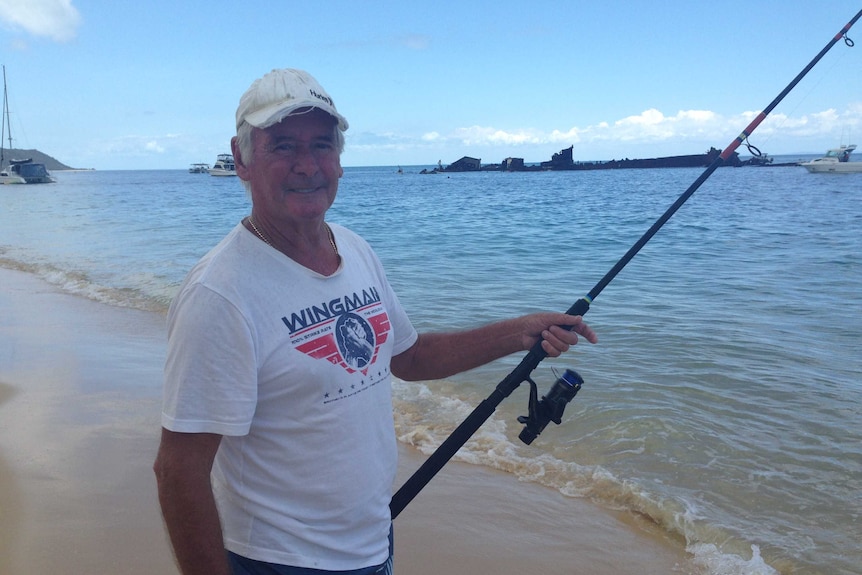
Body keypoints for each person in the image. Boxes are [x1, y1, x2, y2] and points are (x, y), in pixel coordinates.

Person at [153, 68, 597, 575]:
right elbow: (178, 472)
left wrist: (520, 332)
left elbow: (410, 358)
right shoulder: (219, 294)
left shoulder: (355, 248)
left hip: (372, 543)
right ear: (242, 159)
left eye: (322, 145)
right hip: (277, 560)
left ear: (340, 161)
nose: (306, 165)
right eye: (282, 147)